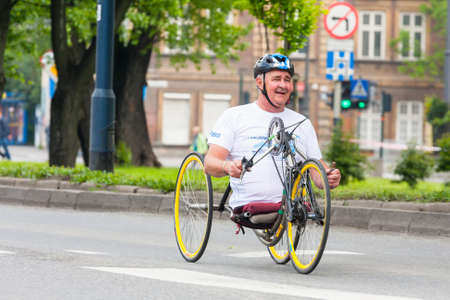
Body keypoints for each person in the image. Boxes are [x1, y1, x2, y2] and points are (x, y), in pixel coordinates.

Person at [204, 53, 340, 212]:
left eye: (287, 79)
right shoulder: (234, 116)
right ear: (260, 82)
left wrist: (328, 177)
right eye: (276, 79)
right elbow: (210, 163)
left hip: (291, 207)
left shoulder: (303, 123)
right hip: (249, 206)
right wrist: (227, 166)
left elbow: (317, 173)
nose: (283, 85)